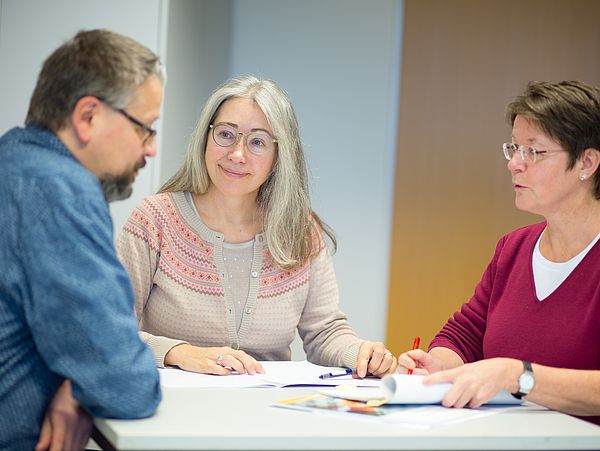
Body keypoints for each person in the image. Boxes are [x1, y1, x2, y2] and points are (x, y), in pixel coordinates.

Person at [117, 75, 397, 378]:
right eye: (225, 134)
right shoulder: (153, 220)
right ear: (205, 139)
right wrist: (178, 353)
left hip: (268, 413)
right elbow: (109, 329)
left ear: (279, 156)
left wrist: (363, 355)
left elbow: (324, 332)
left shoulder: (299, 231)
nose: (237, 154)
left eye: (258, 142)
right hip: (170, 410)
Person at [397, 80, 600, 424]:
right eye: (514, 149)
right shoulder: (513, 248)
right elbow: (465, 334)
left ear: (587, 162)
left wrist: (516, 376)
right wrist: (439, 363)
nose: (514, 165)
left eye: (533, 152)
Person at [0, 29, 165, 450]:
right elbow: (126, 384)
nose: (151, 149)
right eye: (145, 128)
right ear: (87, 115)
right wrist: (88, 382)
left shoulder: (14, 161)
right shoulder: (60, 191)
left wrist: (76, 381)